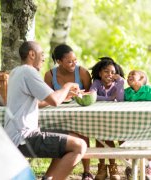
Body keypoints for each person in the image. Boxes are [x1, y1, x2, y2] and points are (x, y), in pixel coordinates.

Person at [4, 41, 87, 180]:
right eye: (42, 54)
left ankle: (48, 177)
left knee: (75, 136)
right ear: (32, 54)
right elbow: (54, 101)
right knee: (79, 146)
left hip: (19, 134)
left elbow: (37, 102)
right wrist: (67, 86)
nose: (44, 58)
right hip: (24, 137)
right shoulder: (29, 71)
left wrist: (64, 95)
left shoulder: (16, 72)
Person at [44, 44, 93, 180]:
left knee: (83, 133)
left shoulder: (82, 72)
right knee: (59, 136)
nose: (74, 64)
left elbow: (89, 94)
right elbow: (47, 97)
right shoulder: (50, 75)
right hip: (59, 114)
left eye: (75, 60)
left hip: (80, 113)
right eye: (69, 61)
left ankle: (87, 172)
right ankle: (55, 173)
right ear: (59, 61)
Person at [89, 57, 125, 180]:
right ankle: (102, 167)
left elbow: (120, 99)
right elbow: (92, 96)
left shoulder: (117, 84)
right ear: (100, 73)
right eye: (106, 71)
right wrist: (109, 99)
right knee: (101, 138)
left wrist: (120, 82)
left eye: (113, 72)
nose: (109, 74)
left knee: (111, 139)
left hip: (115, 119)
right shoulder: (97, 83)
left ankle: (113, 166)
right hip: (99, 118)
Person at [124, 70, 151, 180]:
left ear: (141, 79)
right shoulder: (126, 92)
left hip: (147, 123)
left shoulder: (148, 90)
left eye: (132, 75)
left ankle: (149, 167)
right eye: (128, 75)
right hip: (131, 123)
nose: (129, 76)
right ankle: (129, 167)